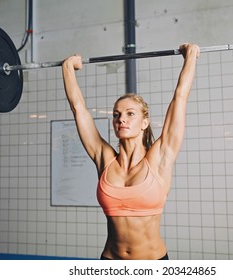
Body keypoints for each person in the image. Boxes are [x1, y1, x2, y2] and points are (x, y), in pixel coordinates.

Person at [62, 43, 200, 260]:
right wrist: (68, 67)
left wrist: (191, 56)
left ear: (145, 122)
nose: (121, 119)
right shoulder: (104, 158)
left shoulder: (159, 156)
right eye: (116, 115)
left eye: (130, 114)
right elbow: (78, 108)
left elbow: (180, 97)